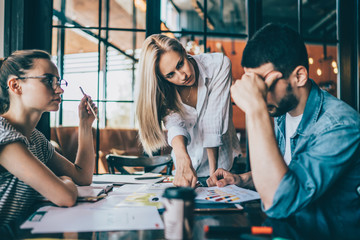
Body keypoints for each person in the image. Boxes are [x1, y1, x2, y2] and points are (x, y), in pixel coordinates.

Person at [207, 23, 360, 228]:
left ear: (299, 76)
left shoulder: (339, 126)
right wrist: (243, 179)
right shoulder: (282, 111)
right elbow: (289, 171)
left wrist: (255, 109)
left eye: (263, 83)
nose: (258, 92)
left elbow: (279, 202)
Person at [0, 50, 97, 230]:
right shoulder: (3, 135)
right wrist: (64, 181)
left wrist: (85, 124)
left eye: (58, 82)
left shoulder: (35, 138)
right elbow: (64, 197)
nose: (60, 89)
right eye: (48, 80)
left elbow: (82, 177)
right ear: (15, 85)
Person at [136, 34, 241, 187]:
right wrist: (182, 159)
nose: (182, 76)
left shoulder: (218, 65)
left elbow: (212, 124)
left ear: (184, 51)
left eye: (180, 64)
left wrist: (214, 176)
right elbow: (174, 124)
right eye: (171, 75)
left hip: (223, 164)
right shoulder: (164, 88)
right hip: (186, 165)